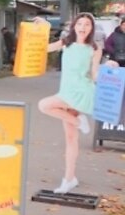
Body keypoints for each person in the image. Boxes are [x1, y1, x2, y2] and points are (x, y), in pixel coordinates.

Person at [37, 12, 101, 194]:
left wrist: (109, 67)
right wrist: (46, 27)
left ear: (91, 28)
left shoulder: (95, 48)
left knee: (44, 105)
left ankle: (79, 120)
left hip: (82, 92)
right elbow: (44, 48)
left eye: (87, 25)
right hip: (66, 91)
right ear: (74, 26)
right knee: (71, 139)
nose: (82, 27)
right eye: (79, 24)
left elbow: (95, 74)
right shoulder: (67, 42)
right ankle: (69, 178)